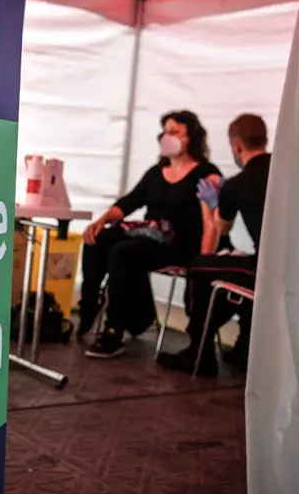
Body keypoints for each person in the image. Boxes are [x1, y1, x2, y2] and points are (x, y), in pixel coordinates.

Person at [78, 110, 223, 359]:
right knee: (99, 240)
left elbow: (212, 222)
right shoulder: (157, 172)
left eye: (175, 132)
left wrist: (205, 262)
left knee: (122, 253)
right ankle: (89, 306)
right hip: (150, 237)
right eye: (165, 132)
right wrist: (100, 221)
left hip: (181, 244)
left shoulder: (206, 173)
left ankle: (114, 330)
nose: (167, 137)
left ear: (191, 137)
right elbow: (128, 203)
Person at [156, 113, 272, 376]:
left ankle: (199, 352)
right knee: (237, 267)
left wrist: (215, 203)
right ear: (265, 140)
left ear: (236, 146)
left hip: (266, 269)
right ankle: (244, 347)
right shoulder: (286, 172)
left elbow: (223, 227)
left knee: (199, 267)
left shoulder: (238, 184)